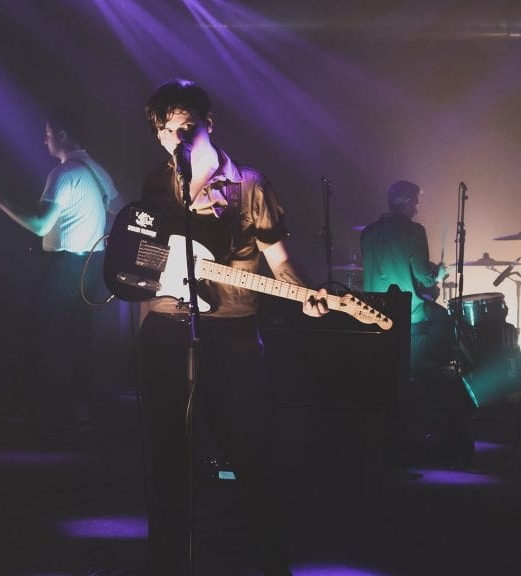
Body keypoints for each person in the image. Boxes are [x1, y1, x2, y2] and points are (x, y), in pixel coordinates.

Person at [138, 78, 329, 576]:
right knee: (168, 461)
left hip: (232, 336)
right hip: (167, 332)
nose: (176, 139)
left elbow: (279, 260)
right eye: (166, 131)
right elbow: (145, 258)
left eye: (186, 127)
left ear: (208, 123)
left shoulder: (249, 185)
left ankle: (272, 564)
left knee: (252, 455)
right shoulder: (156, 185)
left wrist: (305, 293)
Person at [0, 110, 120, 437]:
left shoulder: (64, 174)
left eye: (49, 134)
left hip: (65, 266)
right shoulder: (97, 171)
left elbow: (40, 225)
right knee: (79, 339)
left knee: (36, 331)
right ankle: (82, 412)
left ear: (63, 135)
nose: (44, 140)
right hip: (92, 266)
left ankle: (16, 403)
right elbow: (118, 210)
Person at [360, 180, 473, 466]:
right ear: (406, 201)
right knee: (444, 321)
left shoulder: (368, 233)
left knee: (392, 375)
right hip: (406, 316)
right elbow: (424, 277)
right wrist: (440, 273)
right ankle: (437, 385)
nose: (418, 207)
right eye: (416, 201)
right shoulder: (414, 231)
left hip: (372, 317)